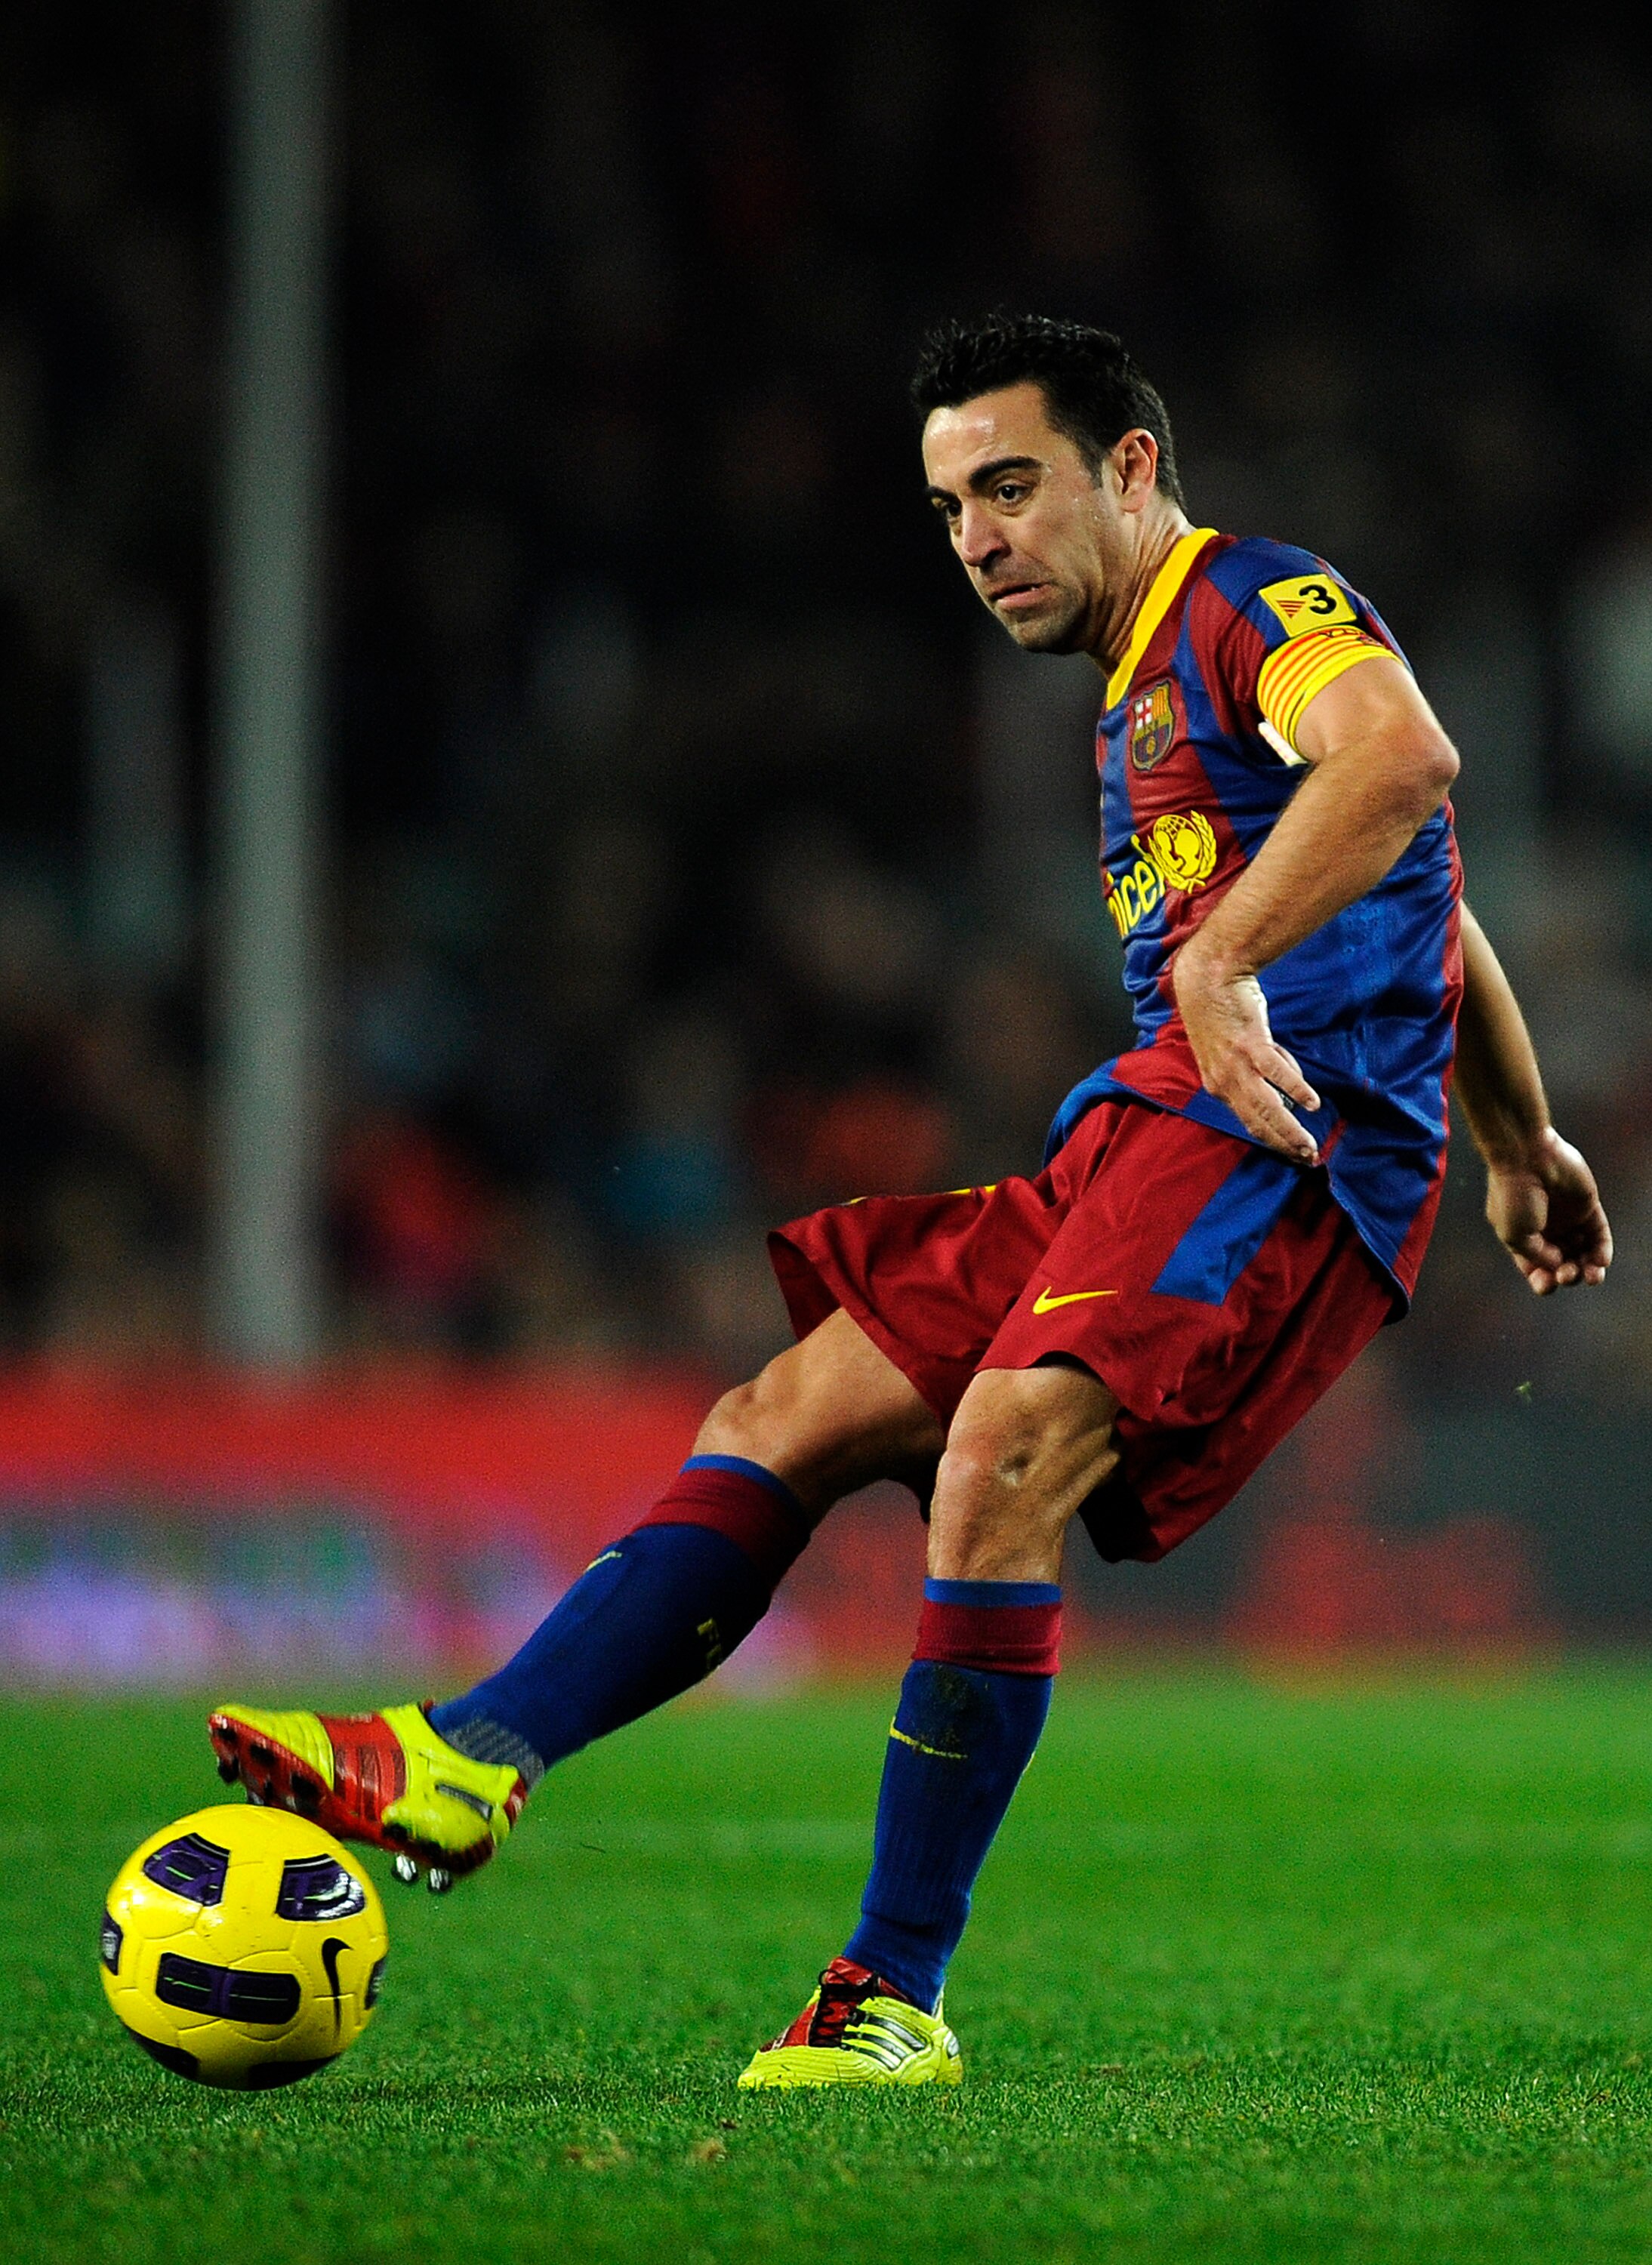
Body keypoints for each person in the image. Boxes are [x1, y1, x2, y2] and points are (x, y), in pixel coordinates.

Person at [206, 313, 1612, 2090]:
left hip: (1281, 1142)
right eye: (951, 507)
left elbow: (1402, 765)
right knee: (790, 1404)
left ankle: (888, 1992)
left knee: (996, 1455)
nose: (977, 540)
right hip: (1159, 1121)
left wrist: (1229, 970)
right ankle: (471, 1755)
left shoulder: (1249, 598)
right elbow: (1420, 880)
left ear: (1127, 468)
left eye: (1011, 488)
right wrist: (1516, 1135)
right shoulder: (1138, 693)